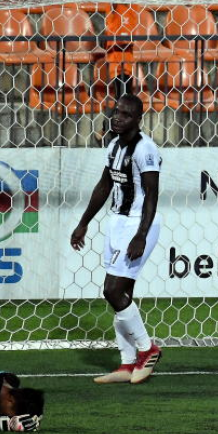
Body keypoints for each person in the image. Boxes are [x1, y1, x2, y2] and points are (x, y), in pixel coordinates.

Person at [71, 93, 162, 384]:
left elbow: (152, 195)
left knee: (111, 290)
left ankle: (147, 349)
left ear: (138, 119)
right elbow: (104, 185)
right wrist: (83, 223)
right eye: (116, 112)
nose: (117, 118)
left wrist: (141, 235)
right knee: (123, 296)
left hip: (138, 224)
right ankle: (126, 364)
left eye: (125, 115)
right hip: (117, 223)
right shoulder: (113, 146)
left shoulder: (145, 149)